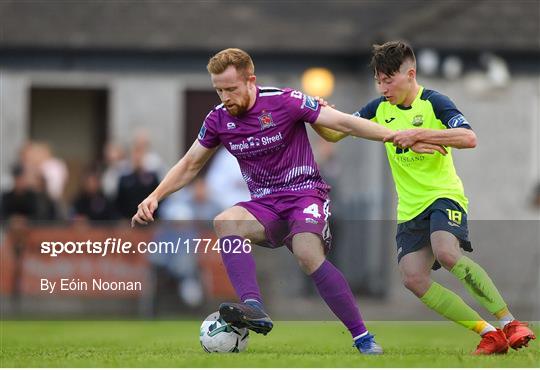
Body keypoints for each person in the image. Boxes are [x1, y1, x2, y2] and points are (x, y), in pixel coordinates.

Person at [131, 48, 438, 354]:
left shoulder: (284, 100)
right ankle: (253, 307)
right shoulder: (218, 119)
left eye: (231, 88)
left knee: (307, 254)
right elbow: (190, 164)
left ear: (251, 81)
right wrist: (155, 196)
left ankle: (363, 337)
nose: (225, 96)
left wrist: (397, 136)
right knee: (225, 221)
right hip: (265, 205)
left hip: (305, 194)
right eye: (219, 89)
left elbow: (344, 123)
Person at [322, 41, 536, 355]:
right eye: (378, 80)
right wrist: (318, 112)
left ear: (410, 74)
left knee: (446, 252)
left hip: (443, 197)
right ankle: (489, 333)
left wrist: (419, 134)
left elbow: (468, 137)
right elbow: (334, 133)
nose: (383, 87)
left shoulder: (435, 102)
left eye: (388, 80)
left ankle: (510, 322)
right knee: (413, 278)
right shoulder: (378, 108)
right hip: (409, 208)